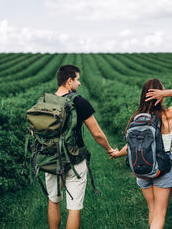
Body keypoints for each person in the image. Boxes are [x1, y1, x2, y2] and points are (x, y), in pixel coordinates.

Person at [33, 65, 118, 229]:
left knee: (53, 200)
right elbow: (97, 134)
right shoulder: (79, 101)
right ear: (69, 80)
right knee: (74, 207)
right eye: (77, 79)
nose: (79, 83)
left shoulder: (44, 101)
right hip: (75, 158)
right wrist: (109, 149)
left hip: (50, 158)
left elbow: (34, 130)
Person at [110, 78, 172, 229]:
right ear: (158, 94)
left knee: (152, 210)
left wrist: (117, 154)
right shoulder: (166, 115)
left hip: (141, 167)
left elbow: (131, 145)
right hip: (163, 166)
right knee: (160, 214)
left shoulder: (136, 118)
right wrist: (165, 94)